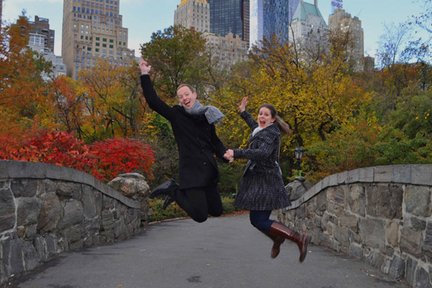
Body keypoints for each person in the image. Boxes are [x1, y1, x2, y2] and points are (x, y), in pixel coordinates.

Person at [139, 58, 229, 223]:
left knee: (217, 210)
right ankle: (172, 190)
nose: (184, 98)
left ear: (195, 95)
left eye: (187, 94)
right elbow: (153, 101)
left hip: (208, 171)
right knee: (200, 216)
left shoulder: (206, 115)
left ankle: (176, 193)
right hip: (192, 173)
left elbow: (215, 141)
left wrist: (225, 153)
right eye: (181, 96)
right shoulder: (176, 115)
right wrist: (145, 74)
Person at [224, 97, 310, 262]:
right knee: (256, 220)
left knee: (259, 220)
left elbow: (262, 153)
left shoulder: (271, 134)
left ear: (272, 119)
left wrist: (236, 152)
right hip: (261, 181)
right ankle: (278, 238)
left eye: (265, 115)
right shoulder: (262, 131)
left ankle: (298, 238)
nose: (261, 117)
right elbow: (253, 125)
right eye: (260, 114)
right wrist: (243, 112)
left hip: (267, 182)